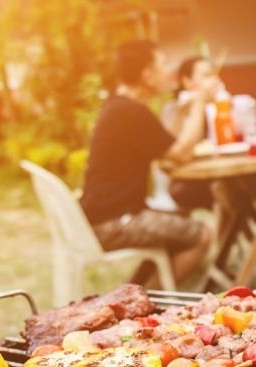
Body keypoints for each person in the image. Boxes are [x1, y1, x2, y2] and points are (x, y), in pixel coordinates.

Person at [79, 40, 216, 289]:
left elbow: (166, 151)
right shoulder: (131, 112)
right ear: (147, 76)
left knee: (179, 223)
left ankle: (133, 294)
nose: (170, 72)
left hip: (107, 216)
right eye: (164, 65)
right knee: (201, 235)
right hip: (115, 223)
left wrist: (184, 112)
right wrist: (198, 105)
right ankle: (144, 304)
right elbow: (182, 154)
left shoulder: (122, 107)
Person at [162, 56, 218, 212]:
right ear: (187, 81)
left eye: (215, 75)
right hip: (186, 181)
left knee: (231, 187)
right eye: (207, 76)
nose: (214, 80)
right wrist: (193, 106)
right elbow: (170, 150)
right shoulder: (173, 110)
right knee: (223, 190)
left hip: (222, 174)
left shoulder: (221, 106)